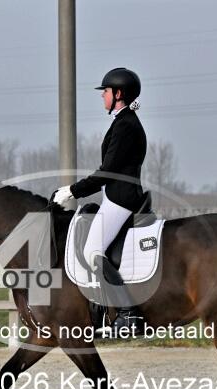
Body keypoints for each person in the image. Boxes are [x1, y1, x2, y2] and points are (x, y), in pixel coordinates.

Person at [52, 67, 147, 334]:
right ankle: (100, 311)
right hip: (115, 197)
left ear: (118, 94)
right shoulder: (123, 121)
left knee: (93, 252)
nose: (102, 95)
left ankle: (128, 314)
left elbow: (108, 171)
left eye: (106, 91)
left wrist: (74, 191)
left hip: (121, 199)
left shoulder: (126, 125)